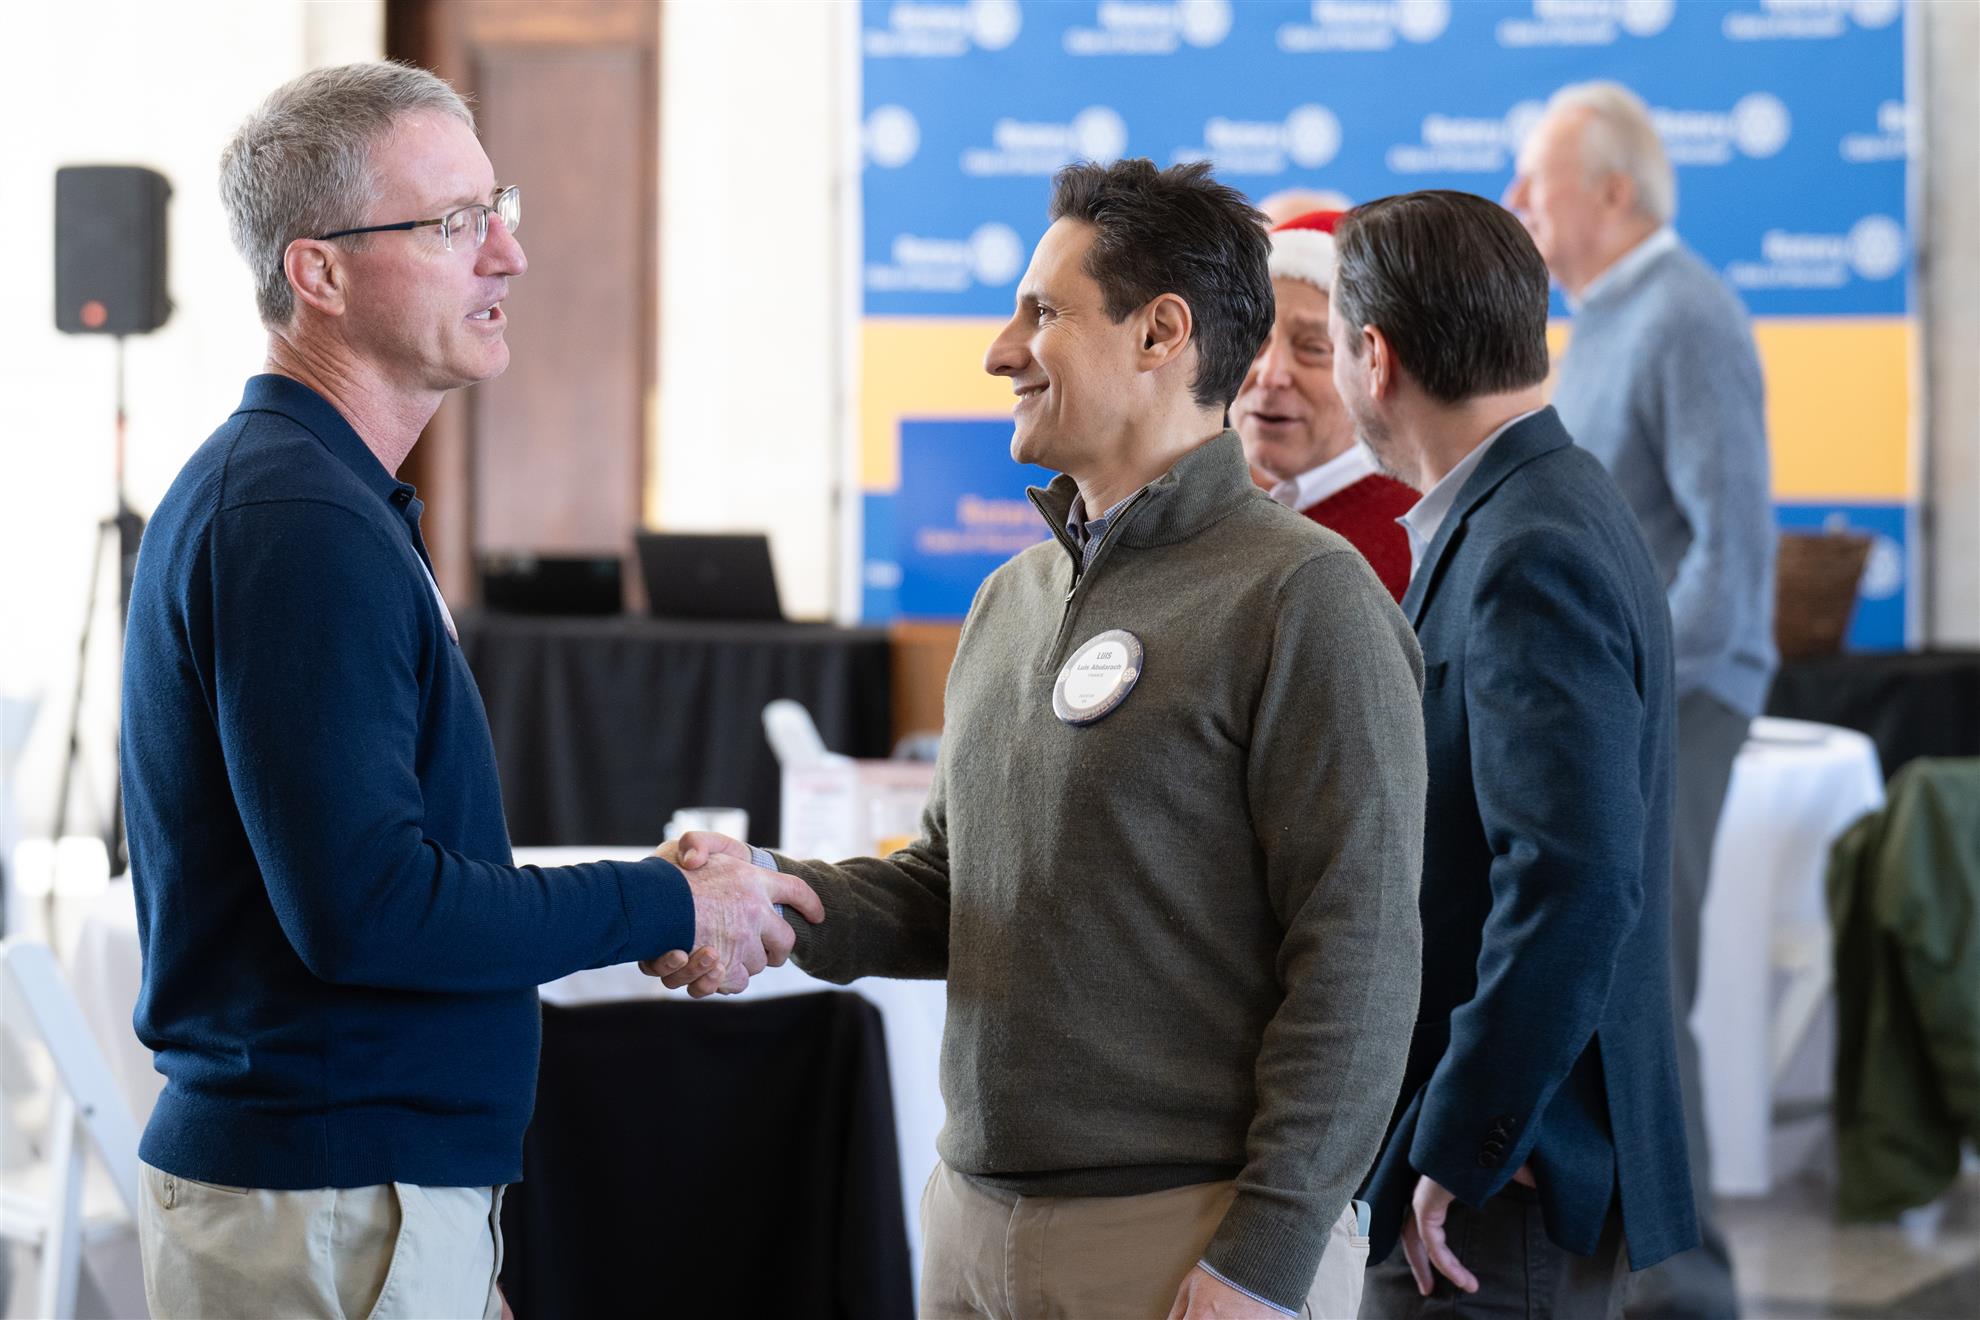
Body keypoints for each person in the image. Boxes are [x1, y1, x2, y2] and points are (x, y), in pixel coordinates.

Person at [652, 159, 1427, 1319]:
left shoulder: (1307, 596)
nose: (1000, 351)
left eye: (1043, 313)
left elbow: (1359, 956)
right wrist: (778, 894)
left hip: (1190, 1243)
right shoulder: (1010, 600)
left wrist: (1264, 1258)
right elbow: (952, 888)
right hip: (971, 1229)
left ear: (1161, 333)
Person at [119, 61, 817, 1320]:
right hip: (328, 1207)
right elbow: (372, 912)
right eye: (452, 224)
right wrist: (663, 898)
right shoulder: (294, 519)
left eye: (499, 208)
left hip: (356, 1204)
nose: (509, 255)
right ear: (318, 274)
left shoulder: (319, 497)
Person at [1325, 190, 1696, 1319]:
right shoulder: (1538, 504)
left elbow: (1574, 880)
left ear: (1375, 356)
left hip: (1495, 1196)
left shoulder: (1528, 544)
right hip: (1502, 1174)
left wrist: (1461, 1143)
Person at [1506, 80, 1776, 1320]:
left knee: (1645, 1003)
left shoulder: (1686, 314)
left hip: (1676, 706)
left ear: (1612, 193)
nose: (1517, 201)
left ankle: (1690, 1292)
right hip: (1618, 710)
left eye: (1539, 181)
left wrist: (1631, 697)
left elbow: (1732, 557)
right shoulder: (1607, 319)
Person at [1234, 210, 1417, 599]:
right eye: (1254, 340)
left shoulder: (1411, 545)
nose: (1270, 374)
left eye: (1313, 348)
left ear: (1375, 364)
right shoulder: (1187, 513)